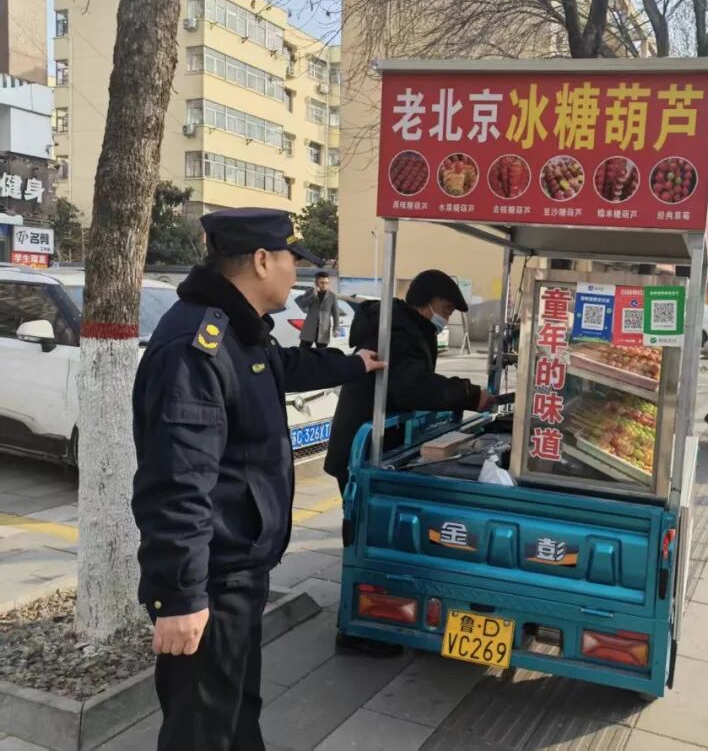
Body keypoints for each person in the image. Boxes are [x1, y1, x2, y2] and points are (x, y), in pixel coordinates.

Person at [131, 208, 384, 751]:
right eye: (294, 260)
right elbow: (177, 483)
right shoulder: (196, 347)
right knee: (204, 729)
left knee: (237, 713)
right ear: (263, 261)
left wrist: (353, 364)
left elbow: (283, 368)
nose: (299, 273)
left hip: (239, 571)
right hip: (212, 581)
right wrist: (181, 597)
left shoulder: (241, 333)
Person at [323, 269, 493, 654]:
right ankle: (353, 631)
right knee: (364, 539)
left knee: (372, 536)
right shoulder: (397, 332)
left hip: (378, 448)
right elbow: (411, 386)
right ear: (426, 302)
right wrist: (468, 394)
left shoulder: (406, 327)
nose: (446, 317)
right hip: (363, 451)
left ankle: (369, 620)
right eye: (445, 309)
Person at [296, 270, 340, 349]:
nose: (324, 285)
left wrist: (336, 329)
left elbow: (336, 314)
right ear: (316, 283)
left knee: (321, 353)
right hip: (309, 328)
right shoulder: (309, 292)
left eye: (326, 283)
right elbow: (303, 304)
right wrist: (313, 294)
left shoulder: (332, 296)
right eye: (322, 283)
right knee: (302, 351)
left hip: (323, 330)